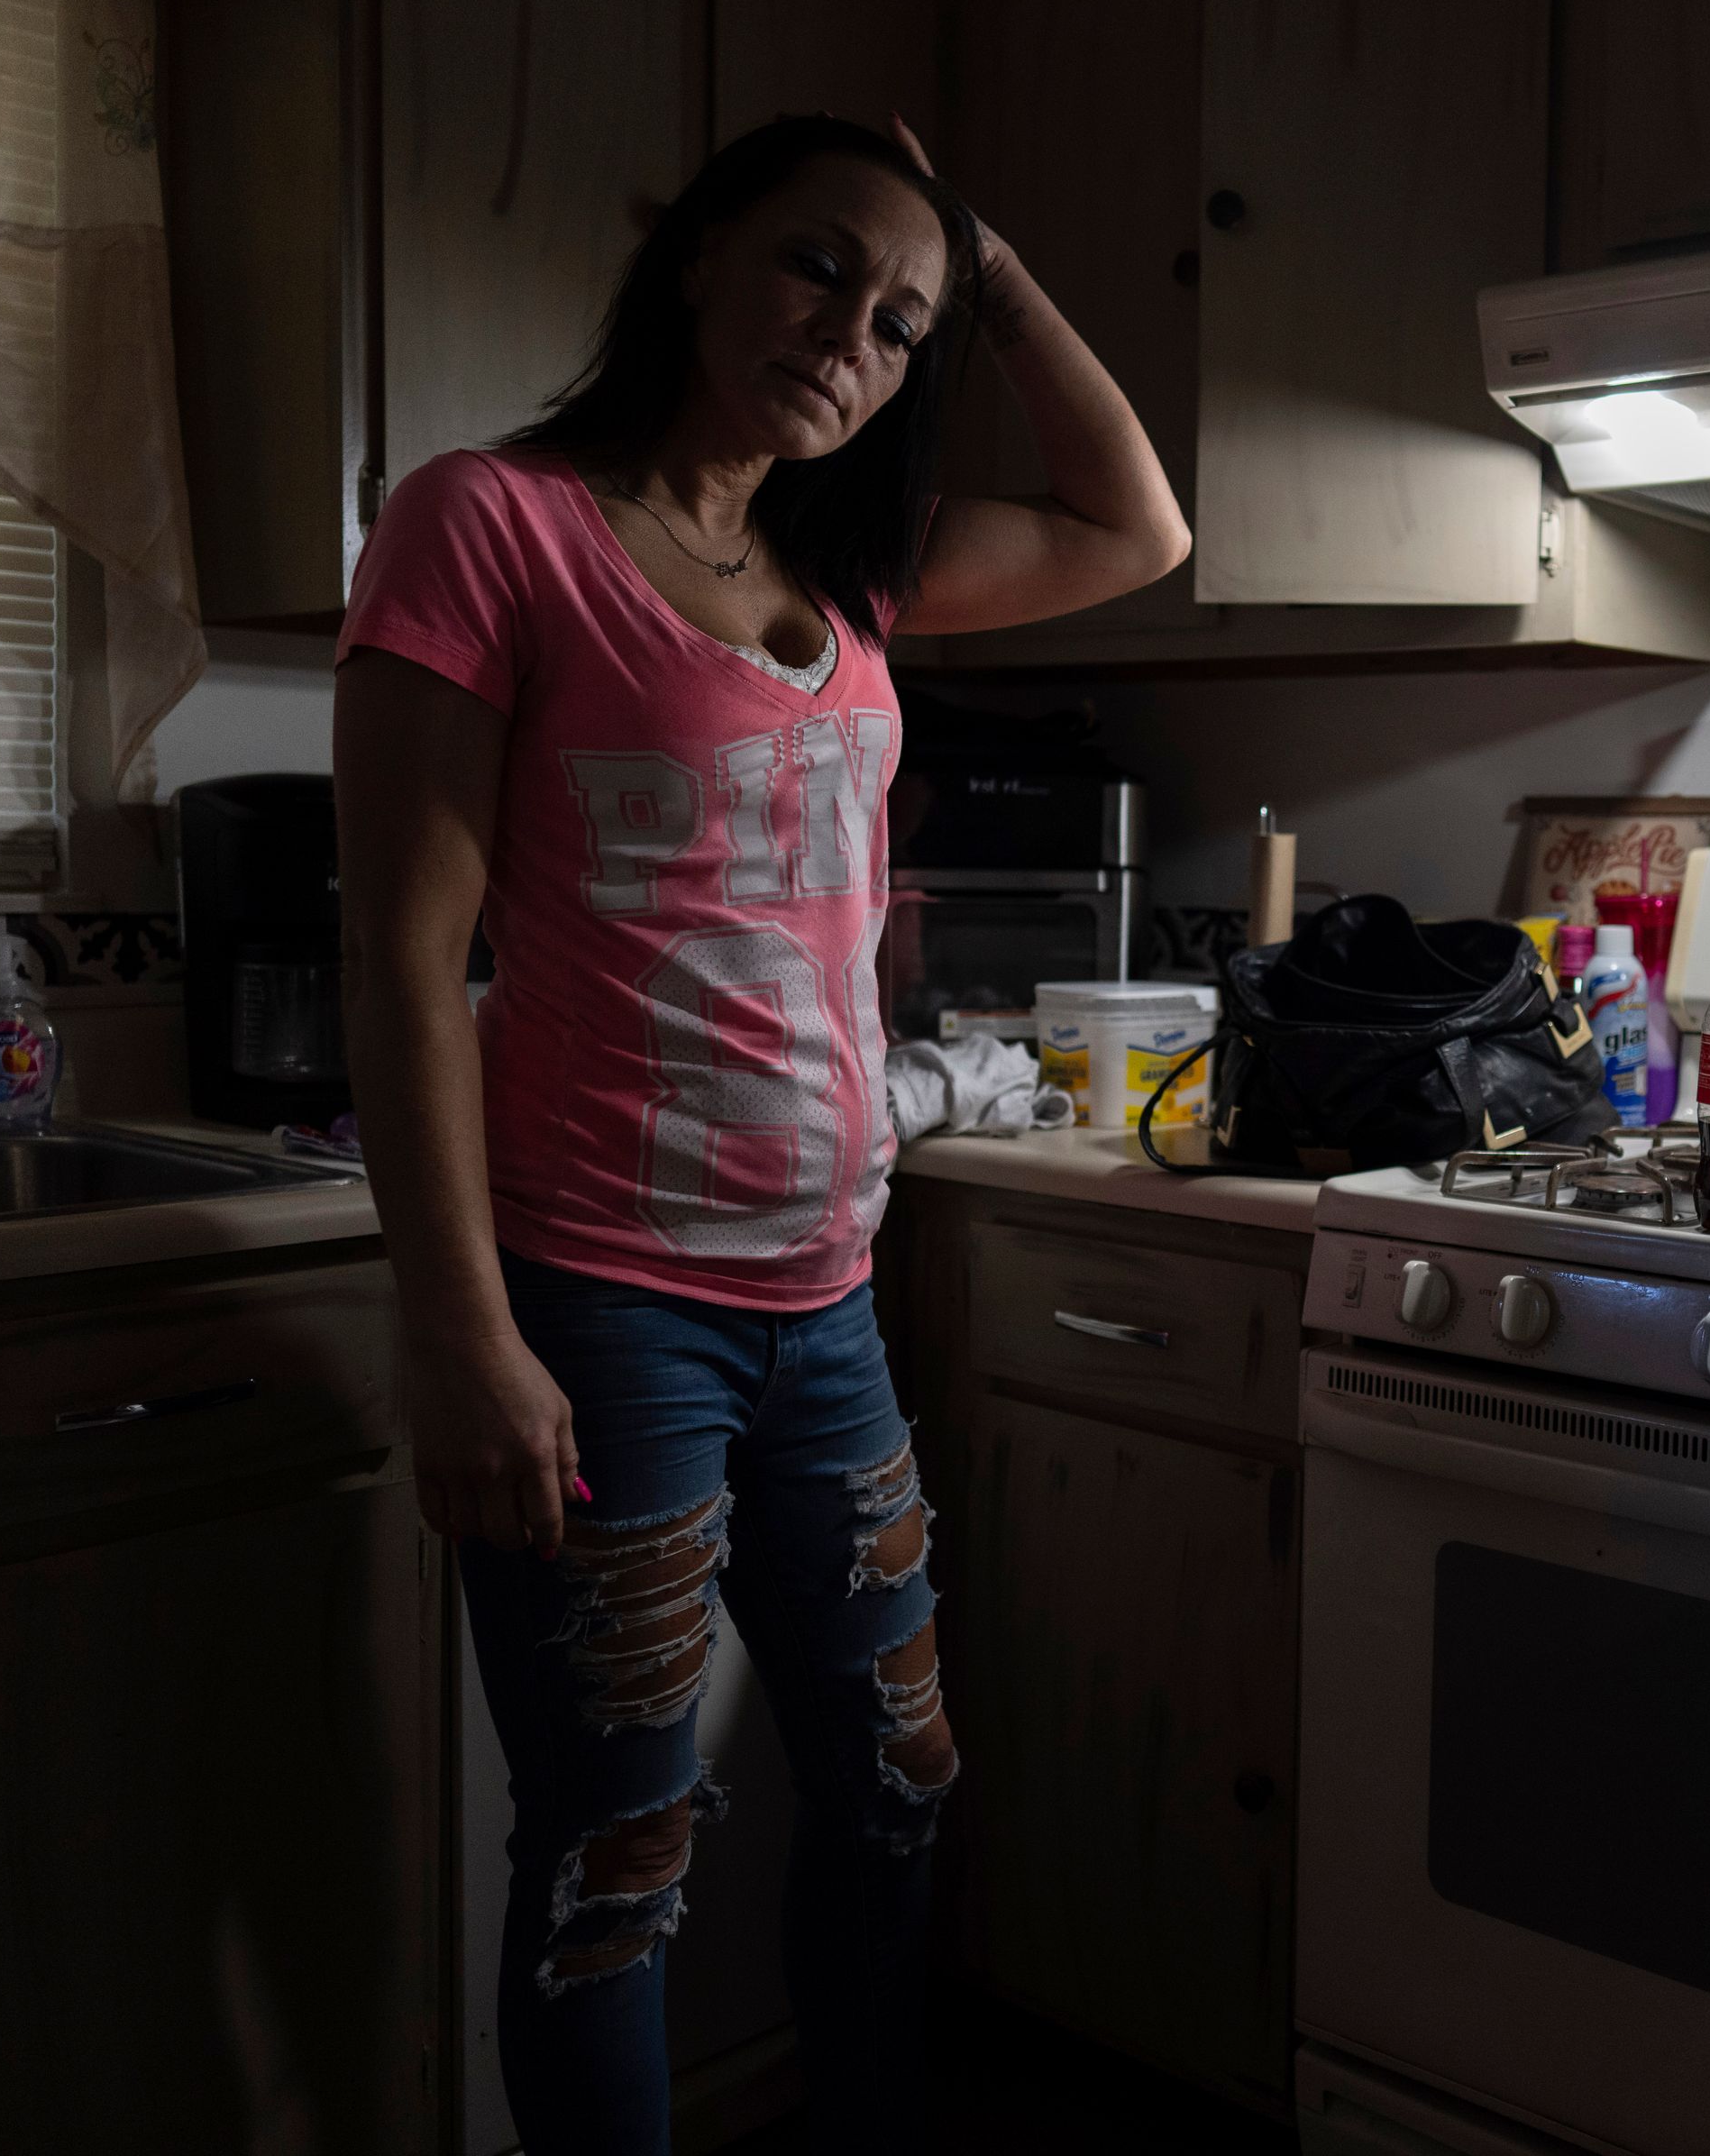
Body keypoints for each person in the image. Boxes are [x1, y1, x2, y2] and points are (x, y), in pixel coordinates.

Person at [333, 114, 1187, 2153]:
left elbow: (1135, 524)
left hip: (828, 1307)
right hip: (602, 1307)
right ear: (700, 249)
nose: (851, 337)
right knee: (618, 1858)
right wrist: (458, 1327)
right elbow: (399, 953)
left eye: (902, 323)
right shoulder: (490, 523)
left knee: (899, 1780)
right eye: (818, 269)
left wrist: (990, 271)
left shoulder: (847, 567)